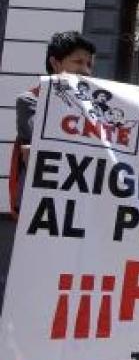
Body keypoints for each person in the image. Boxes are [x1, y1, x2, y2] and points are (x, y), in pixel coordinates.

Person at [2, 31, 96, 313]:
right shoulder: (30, 99)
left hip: (80, 208)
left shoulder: (96, 105)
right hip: (43, 210)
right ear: (56, 64)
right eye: (78, 62)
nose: (85, 70)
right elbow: (42, 146)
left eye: (89, 65)